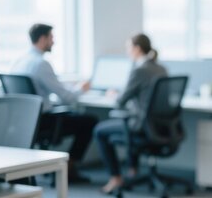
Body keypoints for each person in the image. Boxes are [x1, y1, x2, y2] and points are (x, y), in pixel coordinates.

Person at [11, 23, 98, 182]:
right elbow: (67, 97)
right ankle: (69, 168)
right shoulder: (41, 63)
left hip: (24, 121)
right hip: (45, 121)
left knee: (78, 117)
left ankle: (67, 167)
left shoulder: (20, 61)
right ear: (43, 39)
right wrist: (81, 89)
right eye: (51, 37)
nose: (54, 42)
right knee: (89, 121)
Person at [93, 33, 168, 194]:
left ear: (137, 48)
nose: (127, 52)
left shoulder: (139, 70)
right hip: (160, 126)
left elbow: (120, 101)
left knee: (99, 131)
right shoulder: (161, 68)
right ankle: (132, 170)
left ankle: (116, 177)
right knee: (125, 123)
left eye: (128, 48)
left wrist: (113, 94)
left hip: (141, 126)